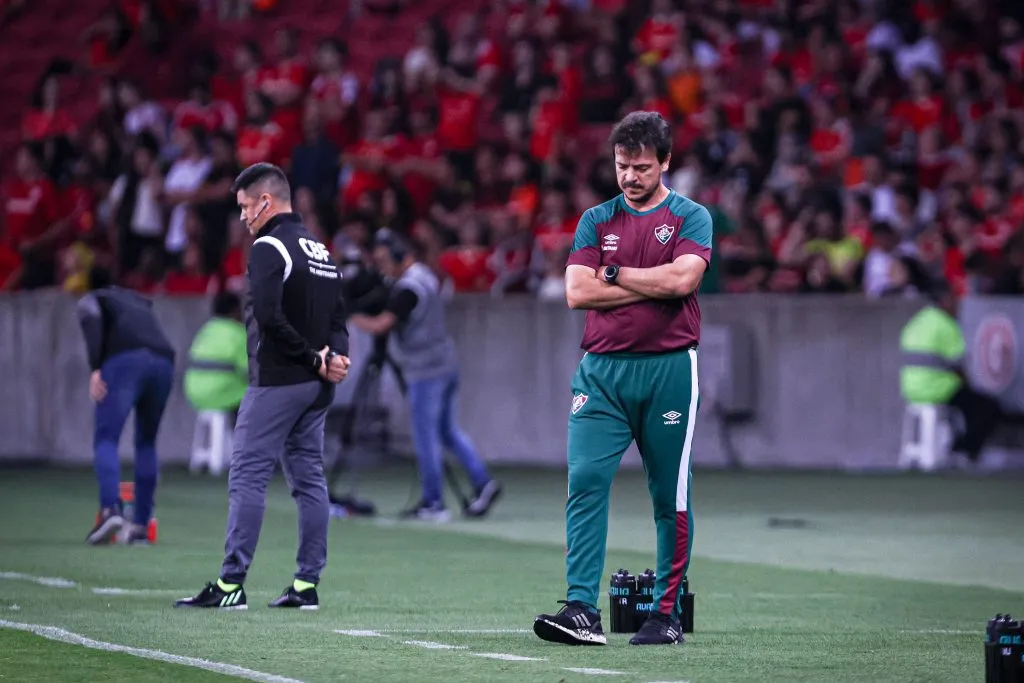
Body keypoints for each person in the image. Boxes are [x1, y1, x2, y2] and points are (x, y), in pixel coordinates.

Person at [532, 111, 713, 646]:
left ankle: (666, 612)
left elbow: (684, 278)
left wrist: (611, 273)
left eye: (640, 167)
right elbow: (575, 293)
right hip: (601, 373)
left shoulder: (691, 216)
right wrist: (650, 284)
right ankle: (581, 610)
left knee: (668, 494)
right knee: (584, 482)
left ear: (665, 163)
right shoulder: (596, 219)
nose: (629, 177)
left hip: (669, 370)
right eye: (621, 166)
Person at [175, 162, 351, 611]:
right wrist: (335, 358)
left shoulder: (269, 246)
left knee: (248, 478)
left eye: (245, 207)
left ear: (266, 202)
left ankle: (231, 584)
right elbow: (337, 318)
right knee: (309, 480)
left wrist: (314, 358)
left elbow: (269, 319)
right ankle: (306, 586)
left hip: (277, 382)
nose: (242, 218)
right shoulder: (319, 248)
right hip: (316, 386)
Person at [349, 228, 503, 522]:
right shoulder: (425, 276)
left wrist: (352, 316)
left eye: (384, 260)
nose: (382, 267)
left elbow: (383, 324)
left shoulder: (408, 288)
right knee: (447, 430)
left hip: (425, 369)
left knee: (426, 437)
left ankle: (433, 502)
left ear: (398, 256)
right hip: (445, 361)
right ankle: (483, 483)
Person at [76, 268, 176, 546]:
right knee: (146, 443)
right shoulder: (136, 301)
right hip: (164, 362)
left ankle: (110, 510)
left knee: (106, 437)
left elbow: (90, 318)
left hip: (126, 361)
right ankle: (141, 527)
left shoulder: (93, 298)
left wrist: (96, 367)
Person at [899, 282, 1002, 463]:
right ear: (945, 300)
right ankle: (962, 451)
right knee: (987, 408)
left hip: (909, 390)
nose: (957, 304)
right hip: (937, 389)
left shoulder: (916, 321)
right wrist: (967, 384)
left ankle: (953, 447)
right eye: (954, 299)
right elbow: (959, 366)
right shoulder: (946, 324)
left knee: (965, 407)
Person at [183, 290, 249, 418]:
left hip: (193, 394)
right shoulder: (238, 333)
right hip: (220, 395)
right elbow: (251, 371)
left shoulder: (205, 330)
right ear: (236, 310)